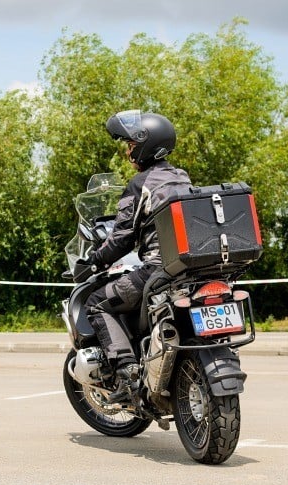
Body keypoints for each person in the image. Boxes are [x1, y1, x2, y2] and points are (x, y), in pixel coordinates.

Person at [83, 110, 191, 400]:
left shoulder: (140, 184)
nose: (129, 150)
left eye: (131, 144)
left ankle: (127, 373)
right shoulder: (182, 177)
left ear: (144, 145)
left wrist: (95, 260)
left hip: (158, 270)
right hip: (191, 269)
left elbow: (122, 237)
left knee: (96, 304)